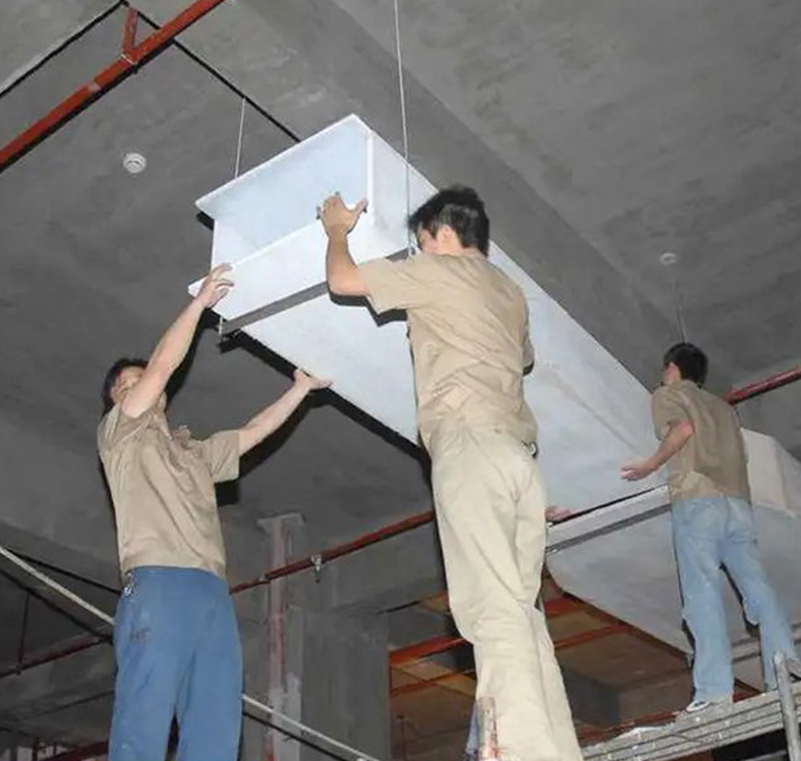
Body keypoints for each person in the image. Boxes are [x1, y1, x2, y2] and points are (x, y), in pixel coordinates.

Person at [318, 187, 582, 761]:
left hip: (470, 447)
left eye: (421, 242)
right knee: (522, 614)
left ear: (441, 234)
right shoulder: (509, 292)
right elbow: (525, 357)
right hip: (519, 460)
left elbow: (342, 281)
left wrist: (336, 229)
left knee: (492, 610)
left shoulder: (438, 270)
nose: (419, 252)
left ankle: (520, 749)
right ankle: (554, 749)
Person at [98, 264, 328, 761]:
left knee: (217, 728)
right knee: (144, 718)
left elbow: (250, 434)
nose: (142, 386)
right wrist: (200, 305)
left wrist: (300, 389)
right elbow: (163, 366)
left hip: (211, 592)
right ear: (117, 401)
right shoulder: (120, 437)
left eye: (143, 382)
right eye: (128, 385)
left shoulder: (193, 453)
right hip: (158, 582)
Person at [622, 342, 798, 712]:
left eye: (665, 369)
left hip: (697, 501)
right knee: (758, 590)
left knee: (701, 594)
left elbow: (683, 427)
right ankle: (787, 670)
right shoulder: (724, 408)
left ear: (673, 368)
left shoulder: (668, 394)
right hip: (738, 504)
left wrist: (650, 464)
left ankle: (714, 691)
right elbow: (742, 455)